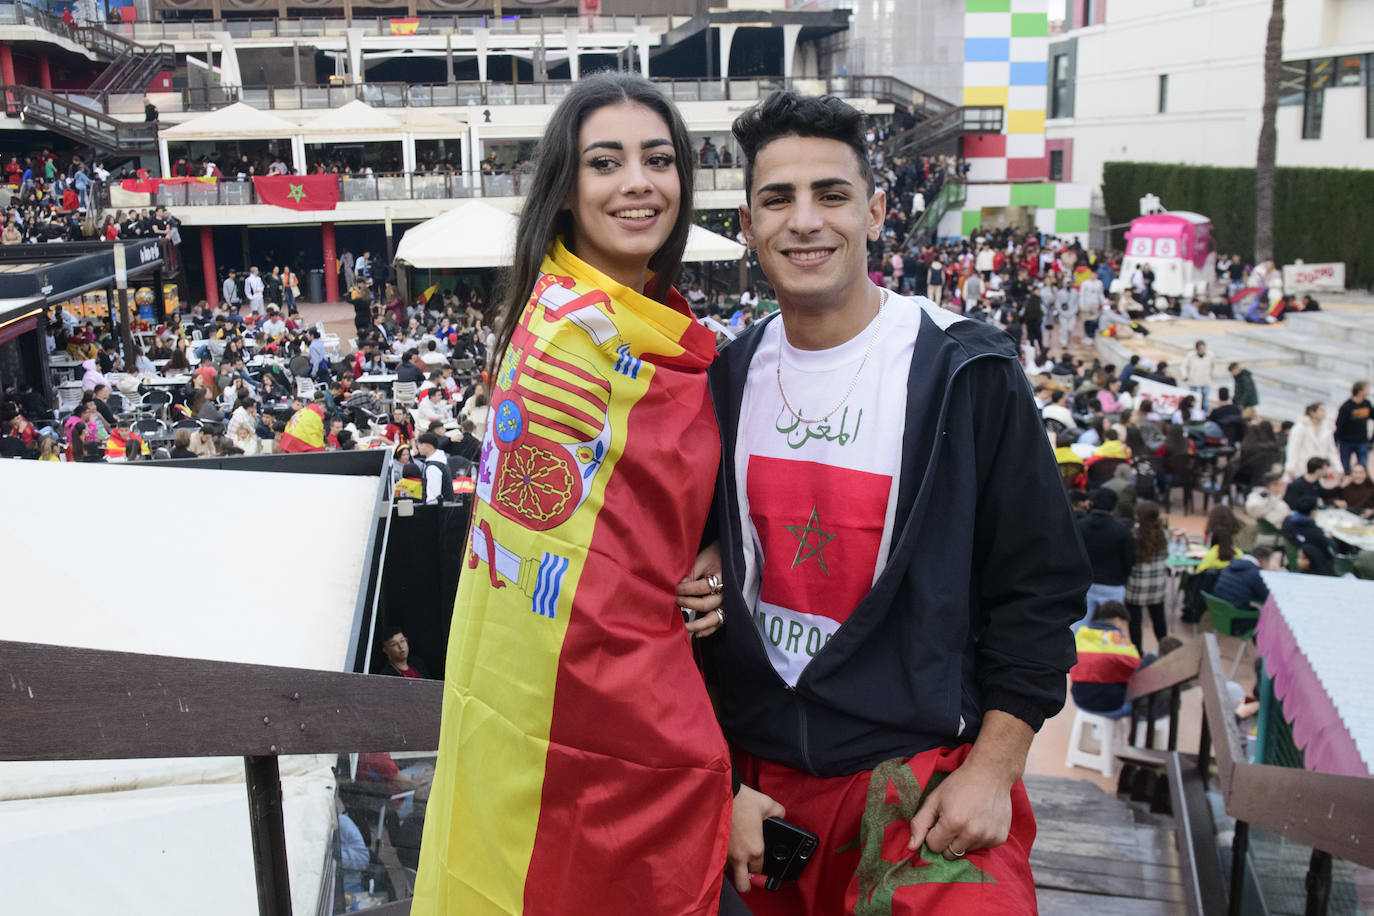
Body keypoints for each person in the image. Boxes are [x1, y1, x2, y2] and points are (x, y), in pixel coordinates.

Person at [700, 91, 1088, 915]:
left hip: (922, 780)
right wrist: (719, 784)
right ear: (748, 224)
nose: (805, 220)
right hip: (756, 794)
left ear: (876, 211)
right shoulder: (723, 382)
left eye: (831, 195)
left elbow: (1042, 584)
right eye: (779, 199)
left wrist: (993, 769)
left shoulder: (967, 372)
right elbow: (682, 600)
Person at [412, 73, 732, 916]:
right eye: (607, 162)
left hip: (650, 672)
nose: (639, 182)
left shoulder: (665, 332)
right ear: (565, 191)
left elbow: (654, 511)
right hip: (586, 711)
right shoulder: (567, 335)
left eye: (659, 160)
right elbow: (565, 561)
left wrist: (717, 547)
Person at [1068, 601, 1141, 717]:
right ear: (1118, 620)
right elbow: (1137, 667)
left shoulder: (1081, 634)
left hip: (1079, 700)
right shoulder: (1119, 641)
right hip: (1111, 706)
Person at [1077, 488, 1135, 624]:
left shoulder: (1079, 526)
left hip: (1085, 584)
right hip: (1113, 584)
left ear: (1092, 503)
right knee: (1113, 628)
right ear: (1114, 507)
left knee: (1079, 627)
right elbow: (1129, 560)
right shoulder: (1122, 530)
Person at [1123, 500, 1168, 652]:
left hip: (1136, 584)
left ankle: (1138, 652)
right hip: (1157, 584)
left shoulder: (1133, 534)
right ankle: (1164, 648)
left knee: (1135, 621)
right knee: (1159, 619)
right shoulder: (1163, 534)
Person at [1284, 402, 1342, 482]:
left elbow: (1332, 450)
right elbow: (1294, 447)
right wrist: (1290, 466)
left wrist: (1339, 468)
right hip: (1302, 466)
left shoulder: (1327, 429)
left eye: (1324, 411)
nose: (1324, 413)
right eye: (1321, 410)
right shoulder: (1301, 426)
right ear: (1312, 412)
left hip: (1319, 468)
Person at [1213, 545, 1273, 610]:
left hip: (1218, 603)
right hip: (1235, 609)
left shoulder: (1233, 563)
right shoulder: (1255, 572)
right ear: (1264, 561)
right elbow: (1265, 596)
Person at [1334, 380, 1372, 472]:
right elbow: (1339, 424)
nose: (1369, 391)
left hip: (1362, 441)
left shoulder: (1366, 404)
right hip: (1346, 442)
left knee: (1362, 466)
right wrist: (1336, 441)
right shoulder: (1346, 407)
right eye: (1367, 389)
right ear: (1360, 391)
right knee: (1345, 468)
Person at [1181, 340, 1216, 410]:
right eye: (1200, 349)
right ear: (1197, 349)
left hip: (1205, 381)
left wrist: (1211, 374)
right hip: (1193, 382)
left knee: (1205, 402)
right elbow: (1183, 366)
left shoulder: (1210, 355)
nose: (1202, 350)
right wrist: (1185, 376)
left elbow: (1213, 366)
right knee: (1193, 402)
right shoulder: (1190, 356)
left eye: (1203, 349)